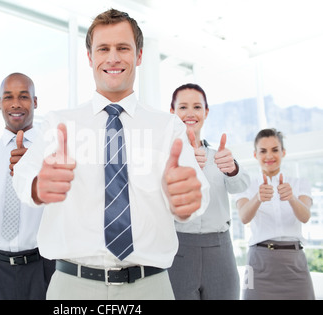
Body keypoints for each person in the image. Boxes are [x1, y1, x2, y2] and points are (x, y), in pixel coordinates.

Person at [12, 9, 210, 300]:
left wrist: (188, 202)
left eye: (123, 48)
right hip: (72, 286)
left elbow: (197, 193)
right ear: (90, 57)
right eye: (103, 49)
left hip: (150, 286)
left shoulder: (169, 128)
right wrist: (38, 186)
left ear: (139, 56)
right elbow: (23, 176)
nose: (113, 58)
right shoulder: (59, 123)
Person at [0, 72, 55, 300]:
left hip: (42, 267)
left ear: (35, 102)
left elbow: (66, 211)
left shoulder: (51, 153)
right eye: (8, 97)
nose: (16, 104)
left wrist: (37, 177)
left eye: (24, 96)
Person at [168, 83, 250, 299]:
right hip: (178, 249)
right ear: (172, 112)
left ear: (206, 112)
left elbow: (241, 185)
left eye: (197, 107)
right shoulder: (163, 160)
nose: (190, 113)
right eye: (183, 107)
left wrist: (232, 168)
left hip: (220, 249)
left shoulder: (219, 156)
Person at [235, 128, 315, 300]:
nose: (269, 156)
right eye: (263, 151)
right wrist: (258, 198)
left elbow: (305, 216)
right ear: (255, 155)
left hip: (295, 263)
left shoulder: (300, 183)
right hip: (258, 262)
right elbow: (243, 217)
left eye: (275, 150)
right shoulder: (247, 186)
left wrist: (292, 197)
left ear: (283, 152)